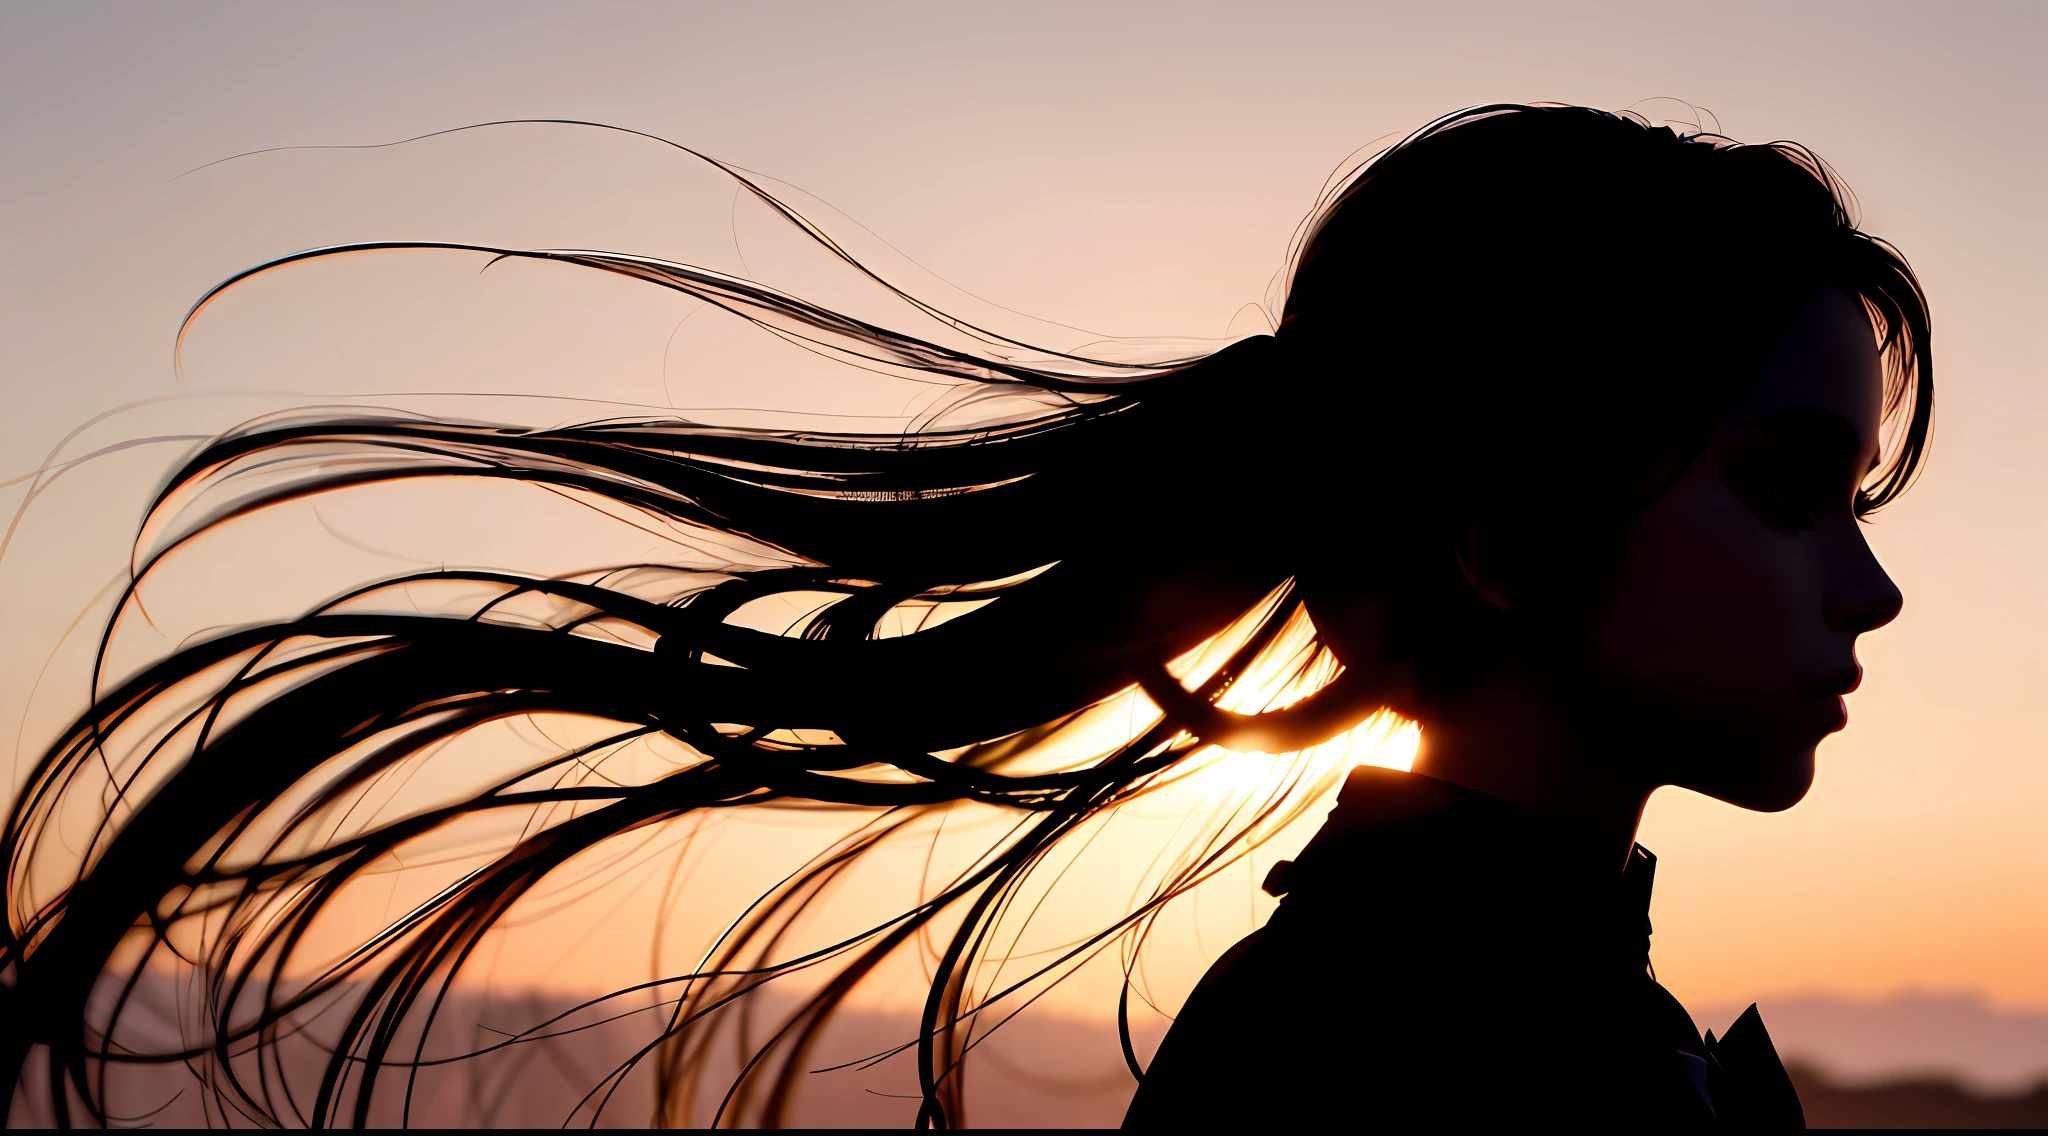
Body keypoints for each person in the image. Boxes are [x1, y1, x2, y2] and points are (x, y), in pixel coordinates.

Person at [1, 104, 1928, 1127]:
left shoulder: (1507, 1028)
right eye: (1788, 490)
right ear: (1499, 532)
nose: (1873, 584)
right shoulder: (1403, 1079)